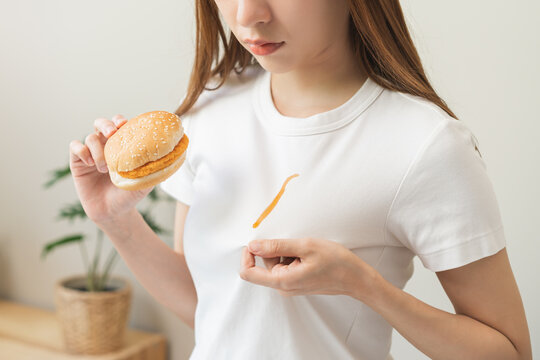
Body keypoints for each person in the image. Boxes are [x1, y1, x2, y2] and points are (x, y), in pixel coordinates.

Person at [69, 0, 532, 359]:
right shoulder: (211, 108)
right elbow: (211, 309)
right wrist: (117, 222)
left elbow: (510, 352)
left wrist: (363, 285)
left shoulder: (426, 145)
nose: (248, 15)